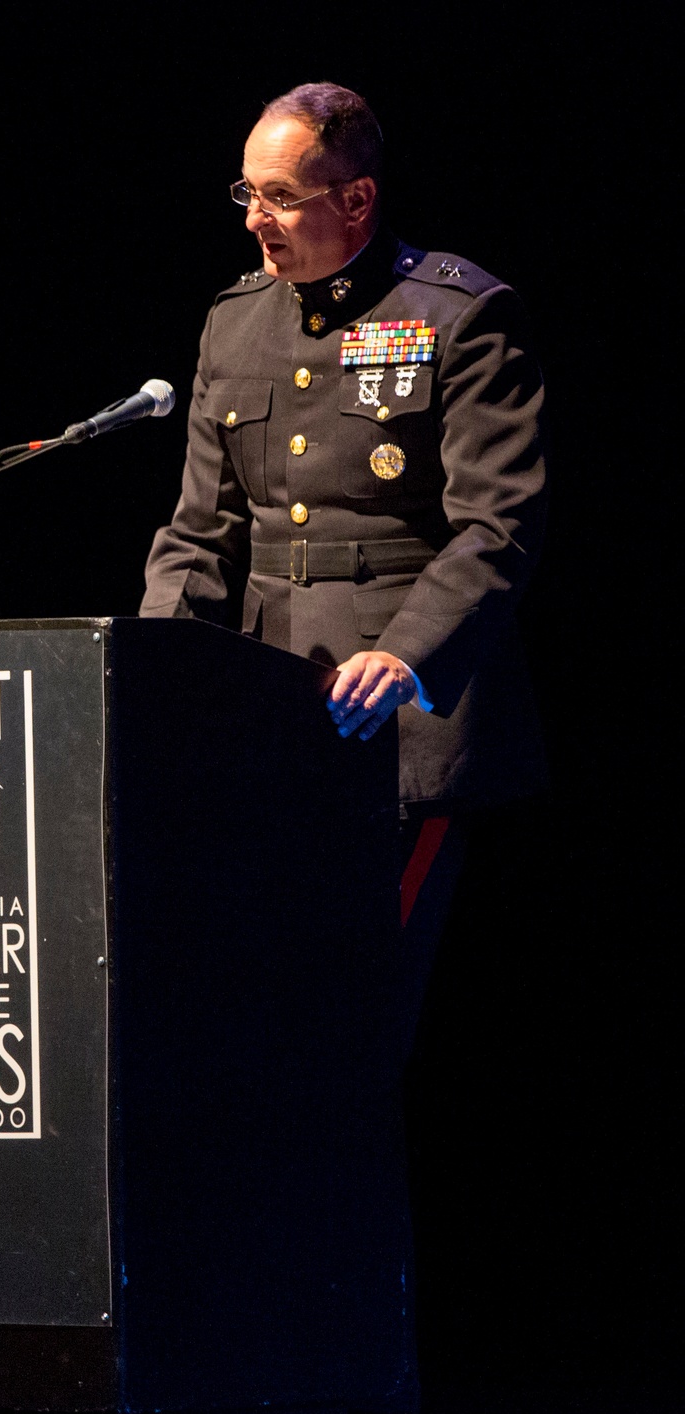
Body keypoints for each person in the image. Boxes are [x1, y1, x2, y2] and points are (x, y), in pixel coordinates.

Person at [141, 82, 548, 1005]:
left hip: (403, 729)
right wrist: (152, 674)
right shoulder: (235, 321)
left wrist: (405, 657)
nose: (256, 220)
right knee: (262, 1012)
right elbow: (201, 531)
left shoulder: (458, 317)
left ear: (356, 199)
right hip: (268, 719)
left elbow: (498, 524)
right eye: (247, 194)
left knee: (355, 1016)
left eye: (281, 197)